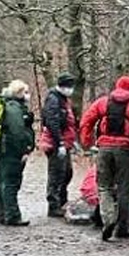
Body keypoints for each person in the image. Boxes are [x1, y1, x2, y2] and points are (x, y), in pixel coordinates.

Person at [79, 75, 129, 241]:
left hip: (103, 149)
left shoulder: (102, 103)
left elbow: (86, 121)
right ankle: (122, 227)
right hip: (125, 151)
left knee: (104, 187)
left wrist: (87, 143)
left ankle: (108, 220)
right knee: (124, 190)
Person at [0, 80, 36, 226]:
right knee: (11, 182)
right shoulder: (14, 109)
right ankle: (12, 215)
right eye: (25, 92)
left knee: (3, 180)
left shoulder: (7, 106)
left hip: (2, 149)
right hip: (11, 151)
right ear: (18, 93)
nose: (27, 95)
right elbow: (18, 133)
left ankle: (1, 214)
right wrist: (25, 150)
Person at [40, 72, 77, 217]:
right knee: (56, 175)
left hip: (64, 142)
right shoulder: (53, 100)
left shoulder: (63, 99)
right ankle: (54, 205)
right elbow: (52, 122)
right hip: (54, 143)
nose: (71, 89)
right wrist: (60, 142)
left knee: (67, 173)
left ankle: (62, 201)